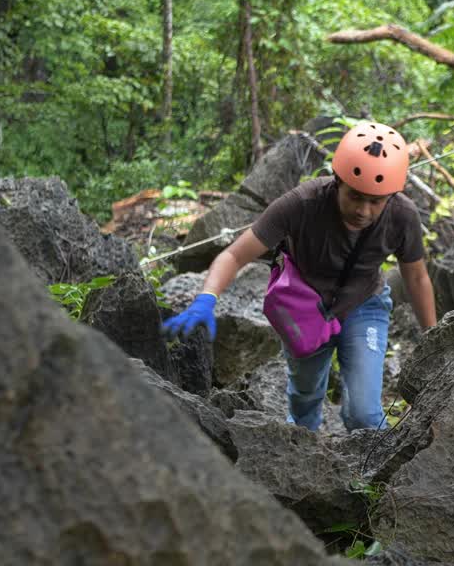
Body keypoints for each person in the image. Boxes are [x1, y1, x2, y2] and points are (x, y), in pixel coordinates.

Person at [164, 121, 437, 431]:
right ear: (337, 182)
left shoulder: (402, 215)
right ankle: (302, 454)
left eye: (376, 202)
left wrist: (433, 336)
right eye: (355, 197)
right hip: (305, 309)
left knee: (364, 413)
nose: (363, 210)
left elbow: (416, 277)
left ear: (390, 195)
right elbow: (234, 255)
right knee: (305, 401)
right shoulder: (302, 204)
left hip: (364, 305)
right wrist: (206, 299)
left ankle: (375, 473)